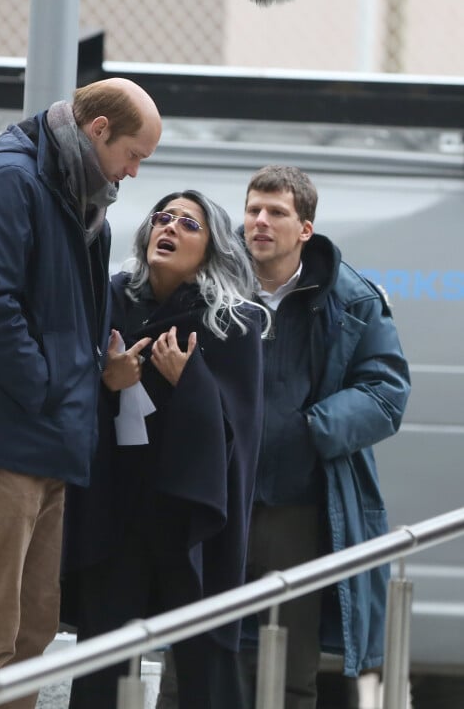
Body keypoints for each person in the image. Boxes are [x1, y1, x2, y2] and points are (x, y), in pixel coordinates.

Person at [0, 77, 162, 709]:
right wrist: (48, 383)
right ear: (98, 130)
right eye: (133, 154)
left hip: (43, 436)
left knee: (29, 629)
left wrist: (88, 361)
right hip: (4, 435)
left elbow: (63, 308)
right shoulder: (10, 181)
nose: (133, 172)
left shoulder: (78, 194)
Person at [157, 165, 411, 709]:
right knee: (191, 662)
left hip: (295, 507)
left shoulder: (354, 299)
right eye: (253, 210)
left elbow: (386, 395)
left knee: (289, 673)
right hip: (215, 500)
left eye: (277, 213)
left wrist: (306, 429)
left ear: (305, 229)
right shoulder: (207, 285)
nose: (260, 222)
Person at [60, 190, 268, 709]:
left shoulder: (233, 321)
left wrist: (190, 380)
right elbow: (70, 382)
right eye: (163, 218)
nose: (169, 228)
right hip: (118, 503)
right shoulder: (109, 298)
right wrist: (108, 378)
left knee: (206, 649)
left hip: (189, 513)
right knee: (104, 649)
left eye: (188, 224)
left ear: (211, 248)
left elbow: (239, 432)